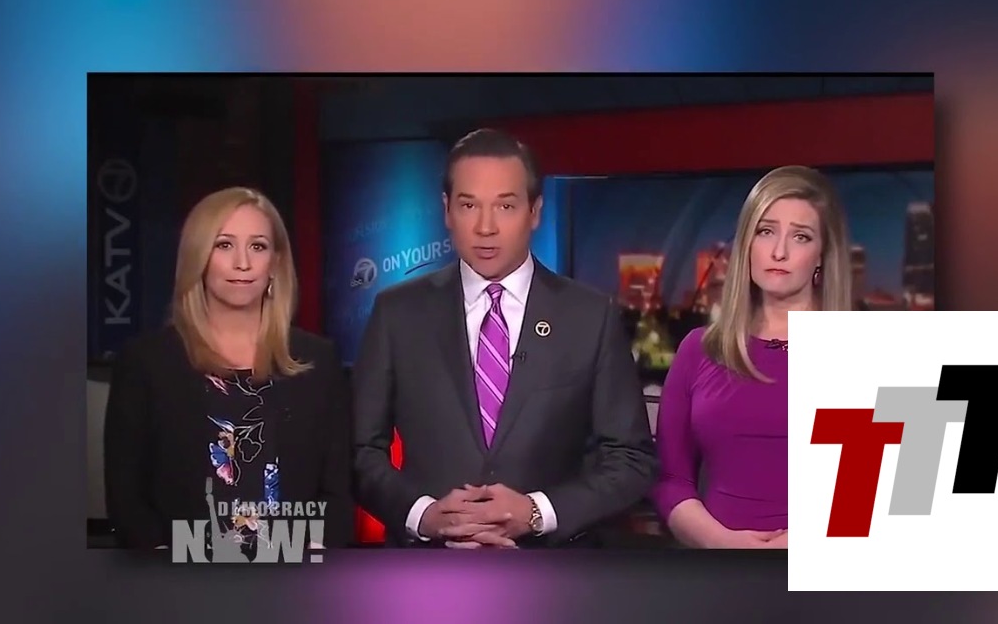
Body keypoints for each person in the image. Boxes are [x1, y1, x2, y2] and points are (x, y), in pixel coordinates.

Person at [352, 129, 658, 549]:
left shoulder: (590, 316)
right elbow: (360, 452)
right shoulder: (397, 313)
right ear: (446, 211)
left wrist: (536, 511)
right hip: (427, 568)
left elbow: (631, 459)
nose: (485, 227)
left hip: (552, 570)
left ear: (535, 211)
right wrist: (424, 515)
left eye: (505, 206)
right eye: (468, 205)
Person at [103, 187, 354, 552]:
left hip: (295, 574)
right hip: (179, 577)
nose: (243, 263)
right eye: (224, 245)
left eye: (258, 246)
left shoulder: (318, 360)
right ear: (198, 257)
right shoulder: (146, 362)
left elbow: (338, 494)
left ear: (275, 262)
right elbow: (126, 498)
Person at [650, 166, 852, 549]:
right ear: (747, 244)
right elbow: (671, 479)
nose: (779, 251)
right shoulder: (699, 349)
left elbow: (894, 494)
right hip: (720, 569)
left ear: (823, 254)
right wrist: (721, 542)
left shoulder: (862, 353)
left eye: (801, 236)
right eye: (766, 231)